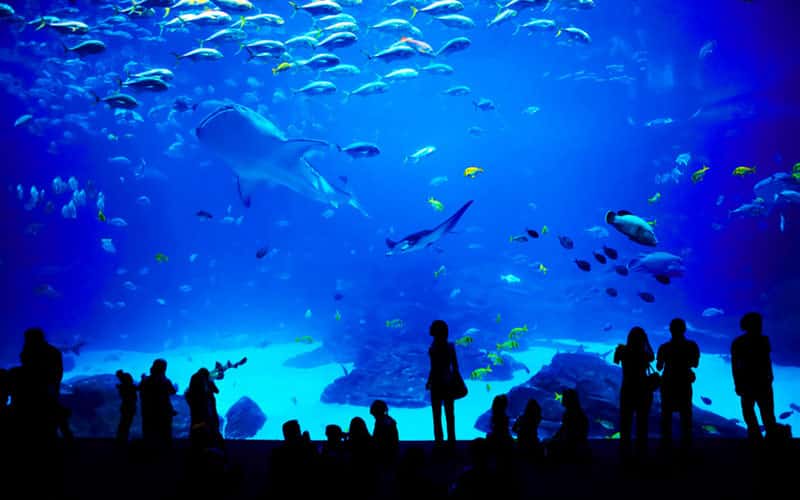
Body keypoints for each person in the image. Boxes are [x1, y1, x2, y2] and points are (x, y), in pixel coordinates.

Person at [731, 312, 777, 441]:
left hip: (750, 383)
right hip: (759, 383)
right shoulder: (763, 340)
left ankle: (758, 439)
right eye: (758, 323)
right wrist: (770, 377)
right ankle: (767, 441)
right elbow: (767, 362)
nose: (760, 326)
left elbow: (735, 366)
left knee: (751, 414)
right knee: (765, 414)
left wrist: (737, 383)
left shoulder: (739, 342)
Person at [656, 318, 700, 454]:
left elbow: (659, 367)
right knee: (686, 413)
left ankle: (666, 444)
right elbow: (695, 364)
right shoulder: (692, 346)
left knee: (666, 414)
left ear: (670, 330)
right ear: (684, 329)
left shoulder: (664, 347)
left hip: (668, 382)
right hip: (684, 383)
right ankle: (686, 445)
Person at [614, 326, 656, 459]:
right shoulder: (644, 354)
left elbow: (616, 360)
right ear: (642, 339)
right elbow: (652, 356)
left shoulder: (622, 350)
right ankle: (641, 453)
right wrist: (646, 340)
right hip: (643, 390)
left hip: (627, 389)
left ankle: (624, 453)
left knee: (625, 423)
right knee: (642, 424)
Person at [425, 319, 460, 446]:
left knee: (437, 416)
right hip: (449, 383)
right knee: (450, 415)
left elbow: (434, 367)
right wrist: (456, 380)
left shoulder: (433, 348)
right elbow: (455, 367)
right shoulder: (450, 346)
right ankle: (452, 443)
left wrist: (429, 381)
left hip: (437, 384)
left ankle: (439, 443)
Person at [139, 358, 177, 450]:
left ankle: (150, 452)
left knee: (149, 433)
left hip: (148, 411)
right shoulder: (165, 381)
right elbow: (172, 391)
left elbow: (140, 388)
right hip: (163, 412)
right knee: (165, 433)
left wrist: (143, 378)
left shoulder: (146, 380)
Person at [546, 388, 589, 463]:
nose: (562, 399)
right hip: (573, 442)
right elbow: (563, 429)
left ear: (569, 399)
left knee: (547, 444)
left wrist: (556, 440)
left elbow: (570, 433)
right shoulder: (572, 412)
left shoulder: (571, 414)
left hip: (572, 444)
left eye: (564, 397)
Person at [185, 368, 223, 452]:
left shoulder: (190, 394)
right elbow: (217, 390)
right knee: (209, 435)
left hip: (197, 421)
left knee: (197, 437)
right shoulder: (205, 393)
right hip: (206, 420)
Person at [369, 399, 399, 464]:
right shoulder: (383, 420)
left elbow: (380, 440)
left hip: (386, 456)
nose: (374, 416)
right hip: (387, 455)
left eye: (374, 414)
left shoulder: (384, 422)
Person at [115, 369, 138, 443]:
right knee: (126, 422)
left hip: (125, 406)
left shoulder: (122, 387)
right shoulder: (129, 387)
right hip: (129, 405)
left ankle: (121, 438)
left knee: (124, 422)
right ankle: (123, 439)